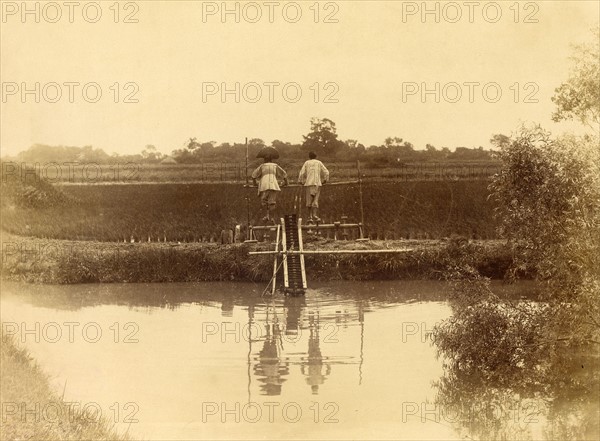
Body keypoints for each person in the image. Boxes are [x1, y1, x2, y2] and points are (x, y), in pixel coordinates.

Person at [251, 156, 288, 223]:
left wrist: (254, 183)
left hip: (264, 185)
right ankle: (272, 218)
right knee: (272, 203)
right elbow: (284, 174)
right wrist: (286, 182)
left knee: (264, 202)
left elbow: (253, 175)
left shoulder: (262, 166)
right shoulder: (275, 165)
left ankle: (266, 216)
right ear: (271, 160)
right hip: (273, 184)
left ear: (264, 160)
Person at [298, 151, 329, 222]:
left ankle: (310, 216)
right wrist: (325, 180)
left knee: (309, 201)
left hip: (309, 183)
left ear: (309, 157)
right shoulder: (319, 162)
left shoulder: (307, 163)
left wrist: (301, 181)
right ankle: (314, 215)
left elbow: (301, 173)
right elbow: (326, 172)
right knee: (315, 200)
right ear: (316, 156)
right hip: (317, 183)